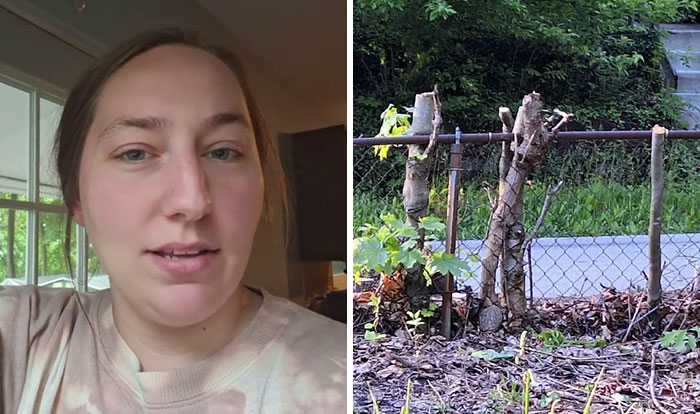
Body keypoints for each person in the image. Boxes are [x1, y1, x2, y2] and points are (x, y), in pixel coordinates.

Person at [0, 26, 346, 413]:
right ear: (76, 198)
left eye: (223, 152)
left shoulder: (343, 376)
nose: (192, 200)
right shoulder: (21, 337)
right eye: (135, 153)